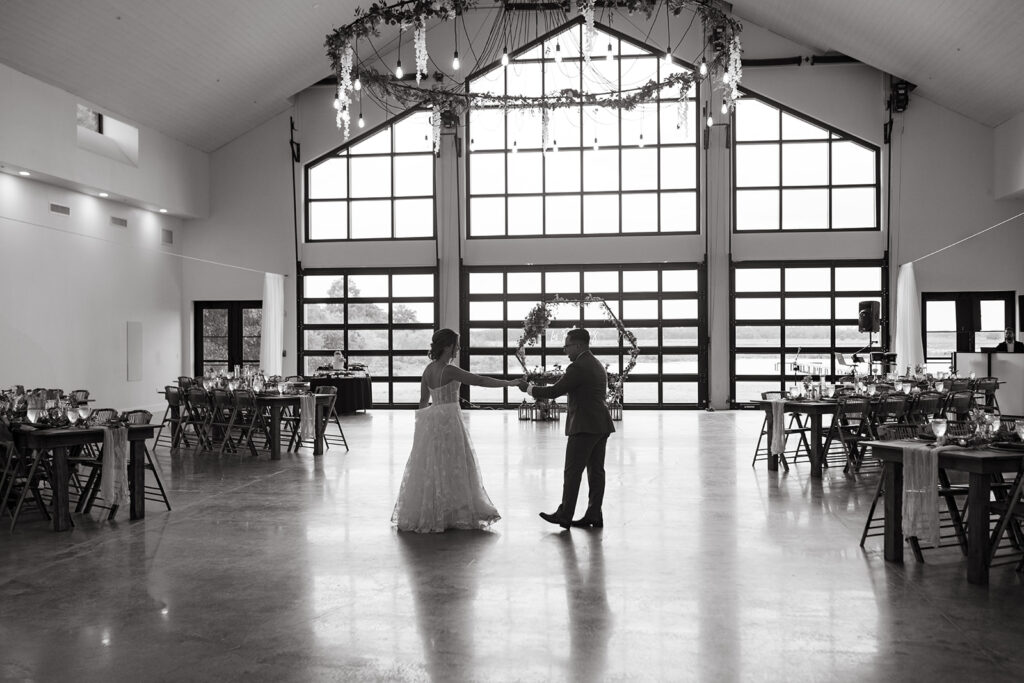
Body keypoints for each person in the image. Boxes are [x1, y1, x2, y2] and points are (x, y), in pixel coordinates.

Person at [392, 328, 522, 533]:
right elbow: (480, 380)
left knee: (435, 465)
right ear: (447, 346)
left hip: (434, 420)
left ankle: (439, 511)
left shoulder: (428, 370)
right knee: (454, 464)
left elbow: (422, 402)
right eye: (456, 344)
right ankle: (452, 511)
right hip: (450, 419)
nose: (459, 348)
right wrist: (510, 383)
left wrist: (423, 428)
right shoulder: (449, 370)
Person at [519, 328, 615, 530]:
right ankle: (594, 514)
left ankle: (565, 515)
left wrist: (528, 388)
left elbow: (554, 391)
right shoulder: (595, 363)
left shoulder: (578, 367)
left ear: (579, 345)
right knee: (596, 472)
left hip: (584, 426)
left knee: (572, 472)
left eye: (567, 345)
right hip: (600, 424)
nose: (565, 350)